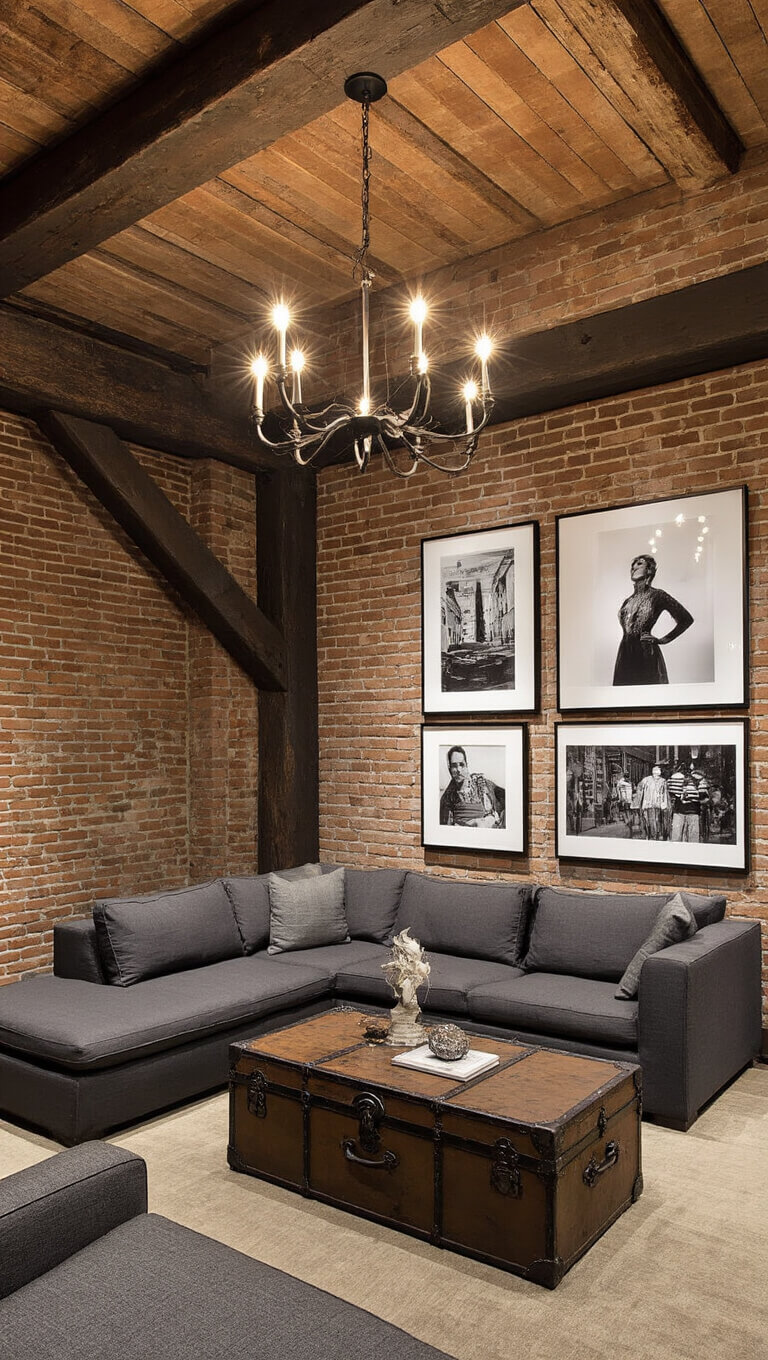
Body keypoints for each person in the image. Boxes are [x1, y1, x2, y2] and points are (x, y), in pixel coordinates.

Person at [613, 554, 693, 686]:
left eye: (639, 564)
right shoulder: (627, 601)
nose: (633, 567)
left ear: (649, 570)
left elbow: (686, 619)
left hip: (646, 654)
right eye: (632, 565)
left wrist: (663, 640)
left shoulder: (658, 595)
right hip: (625, 654)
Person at [439, 745, 505, 828]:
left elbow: (508, 799)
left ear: (466, 765)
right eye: (454, 766)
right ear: (450, 769)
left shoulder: (482, 783)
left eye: (461, 765)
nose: (459, 770)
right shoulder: (447, 797)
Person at [636, 764, 669, 840]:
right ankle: (654, 835)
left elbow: (639, 788)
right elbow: (640, 788)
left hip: (653, 804)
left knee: (654, 820)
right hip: (653, 804)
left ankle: (654, 835)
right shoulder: (649, 780)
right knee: (654, 820)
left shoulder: (661, 781)